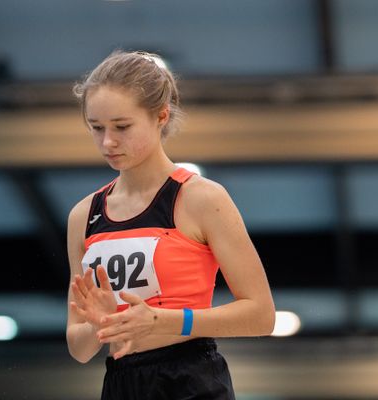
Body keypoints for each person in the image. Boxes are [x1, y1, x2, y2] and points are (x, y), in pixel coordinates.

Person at [66, 50, 276, 400]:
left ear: (161, 116)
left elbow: (261, 314)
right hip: (120, 383)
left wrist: (168, 321)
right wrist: (100, 324)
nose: (108, 142)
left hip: (189, 377)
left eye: (122, 127)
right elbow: (79, 347)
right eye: (96, 128)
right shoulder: (83, 216)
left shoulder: (201, 199)